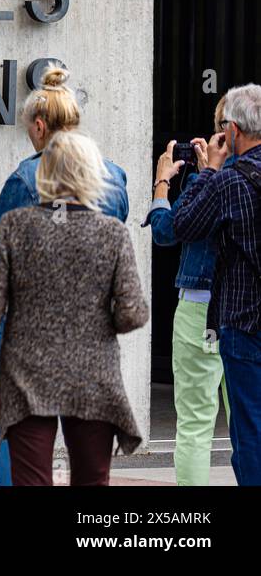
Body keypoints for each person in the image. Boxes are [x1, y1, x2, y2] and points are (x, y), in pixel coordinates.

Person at [0, 63, 129, 485]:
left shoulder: (26, 176)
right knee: (90, 462)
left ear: (40, 126)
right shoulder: (114, 176)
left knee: (21, 444)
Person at [173, 83, 261, 485]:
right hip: (236, 324)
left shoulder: (228, 183)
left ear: (232, 131)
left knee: (244, 435)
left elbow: (180, 224)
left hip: (241, 323)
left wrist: (207, 170)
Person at [143, 98, 232, 485]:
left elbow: (165, 232)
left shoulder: (205, 186)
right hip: (248, 310)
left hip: (199, 310)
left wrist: (163, 181)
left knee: (196, 424)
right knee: (253, 420)